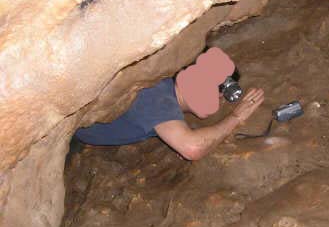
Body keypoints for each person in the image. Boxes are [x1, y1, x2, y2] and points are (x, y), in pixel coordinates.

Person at [74, 47, 264, 160]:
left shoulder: (165, 96)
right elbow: (192, 148)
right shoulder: (156, 95)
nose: (220, 101)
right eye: (220, 92)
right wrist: (236, 117)